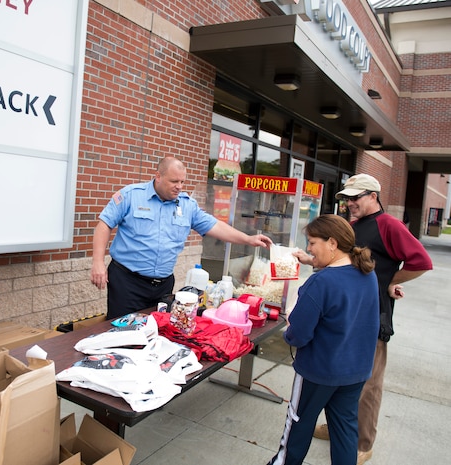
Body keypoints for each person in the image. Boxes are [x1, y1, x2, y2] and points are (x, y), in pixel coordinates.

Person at [295, 174, 433, 465]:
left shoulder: (389, 225)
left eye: (356, 198)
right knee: (342, 377)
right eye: (346, 198)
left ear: (374, 196)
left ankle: (363, 442)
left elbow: (421, 261)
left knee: (367, 383)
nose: (349, 204)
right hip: (344, 312)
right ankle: (339, 429)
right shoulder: (352, 227)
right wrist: (311, 259)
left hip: (372, 314)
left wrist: (388, 281)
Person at [91, 156, 272, 319]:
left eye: (182, 181)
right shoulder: (131, 195)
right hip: (127, 282)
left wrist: (248, 239)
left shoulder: (187, 206)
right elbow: (104, 224)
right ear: (158, 176)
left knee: (154, 333)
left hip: (162, 285)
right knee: (121, 333)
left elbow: (215, 226)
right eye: (174, 181)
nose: (179, 186)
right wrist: (98, 262)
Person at [267, 214, 379, 465]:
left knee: (298, 423)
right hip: (356, 371)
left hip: (318, 371)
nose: (308, 248)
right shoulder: (367, 274)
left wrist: (290, 327)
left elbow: (298, 335)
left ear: (332, 242)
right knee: (344, 430)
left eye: (312, 242)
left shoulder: (321, 282)